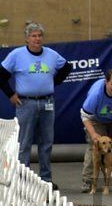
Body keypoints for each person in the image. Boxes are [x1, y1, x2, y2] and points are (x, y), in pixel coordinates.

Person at [0, 22, 71, 188]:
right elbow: (1, 75)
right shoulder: (16, 55)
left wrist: (53, 83)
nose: (37, 39)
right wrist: (10, 94)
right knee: (24, 144)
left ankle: (45, 180)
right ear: (27, 38)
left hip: (47, 103)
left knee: (46, 143)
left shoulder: (51, 55)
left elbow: (67, 67)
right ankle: (22, 181)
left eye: (39, 35)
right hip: (26, 103)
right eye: (33, 36)